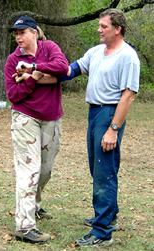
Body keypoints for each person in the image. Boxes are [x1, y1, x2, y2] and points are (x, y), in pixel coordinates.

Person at [40, 8, 140, 247]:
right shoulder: (96, 52)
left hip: (109, 113)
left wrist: (113, 129)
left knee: (104, 171)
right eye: (99, 25)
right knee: (98, 168)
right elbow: (71, 71)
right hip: (94, 112)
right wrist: (39, 74)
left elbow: (127, 96)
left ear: (118, 29)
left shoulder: (128, 56)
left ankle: (102, 231)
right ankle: (109, 215)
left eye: (103, 26)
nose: (99, 30)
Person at [4, 16, 69, 243]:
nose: (19, 37)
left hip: (51, 118)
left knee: (45, 170)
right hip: (25, 118)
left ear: (34, 32)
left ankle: (35, 205)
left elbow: (63, 69)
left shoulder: (49, 48)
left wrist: (32, 69)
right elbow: (13, 95)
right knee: (28, 171)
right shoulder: (13, 60)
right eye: (16, 33)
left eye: (22, 32)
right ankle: (25, 225)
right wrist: (35, 79)